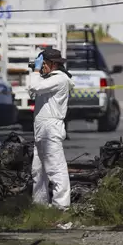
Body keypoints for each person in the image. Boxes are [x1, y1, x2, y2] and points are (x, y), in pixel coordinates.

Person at [29, 48, 75, 209]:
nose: (42, 67)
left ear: (53, 63)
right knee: (38, 171)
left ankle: (61, 208)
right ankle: (40, 207)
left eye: (43, 64)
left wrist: (35, 71)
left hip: (50, 128)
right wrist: (38, 73)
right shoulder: (48, 79)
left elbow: (35, 87)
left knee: (56, 170)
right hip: (41, 128)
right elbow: (32, 90)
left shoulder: (60, 79)